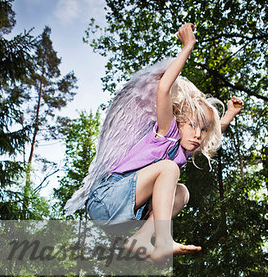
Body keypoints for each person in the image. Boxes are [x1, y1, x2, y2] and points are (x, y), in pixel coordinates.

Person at [65, 23, 243, 264]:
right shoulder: (167, 130)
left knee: (181, 193)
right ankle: (162, 239)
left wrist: (229, 114)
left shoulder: (183, 151)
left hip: (127, 209)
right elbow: (164, 88)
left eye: (202, 131)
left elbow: (213, 134)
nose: (198, 135)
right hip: (106, 198)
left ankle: (140, 239)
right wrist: (187, 47)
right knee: (170, 169)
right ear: (179, 121)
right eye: (192, 126)